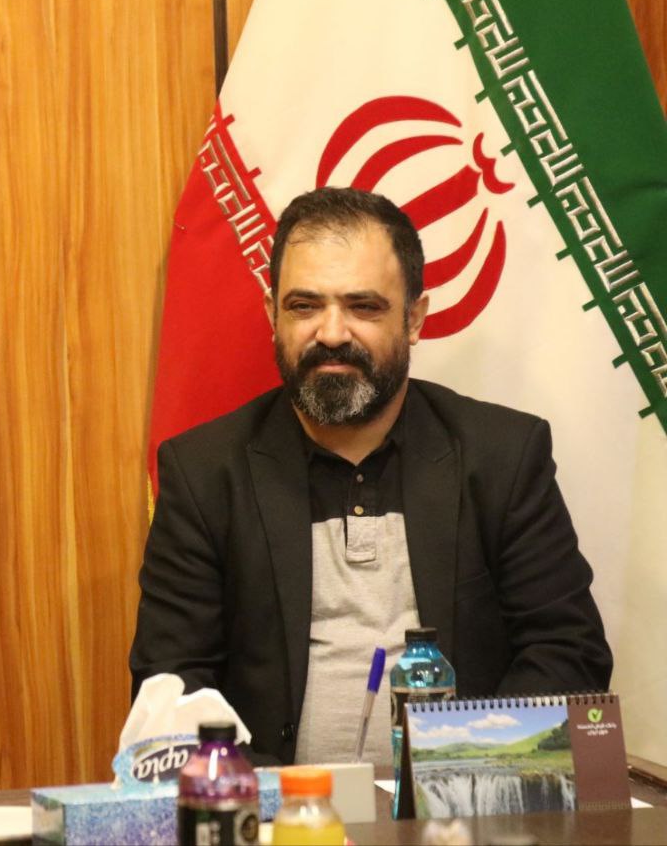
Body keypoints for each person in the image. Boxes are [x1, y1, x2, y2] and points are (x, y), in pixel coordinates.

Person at [129, 187, 611, 767]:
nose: (332, 333)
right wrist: (288, 803)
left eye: (363, 307)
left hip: (463, 804)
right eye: (304, 306)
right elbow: (170, 687)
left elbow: (568, 653)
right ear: (272, 315)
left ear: (414, 319)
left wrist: (456, 778)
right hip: (273, 809)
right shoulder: (204, 471)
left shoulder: (503, 456)